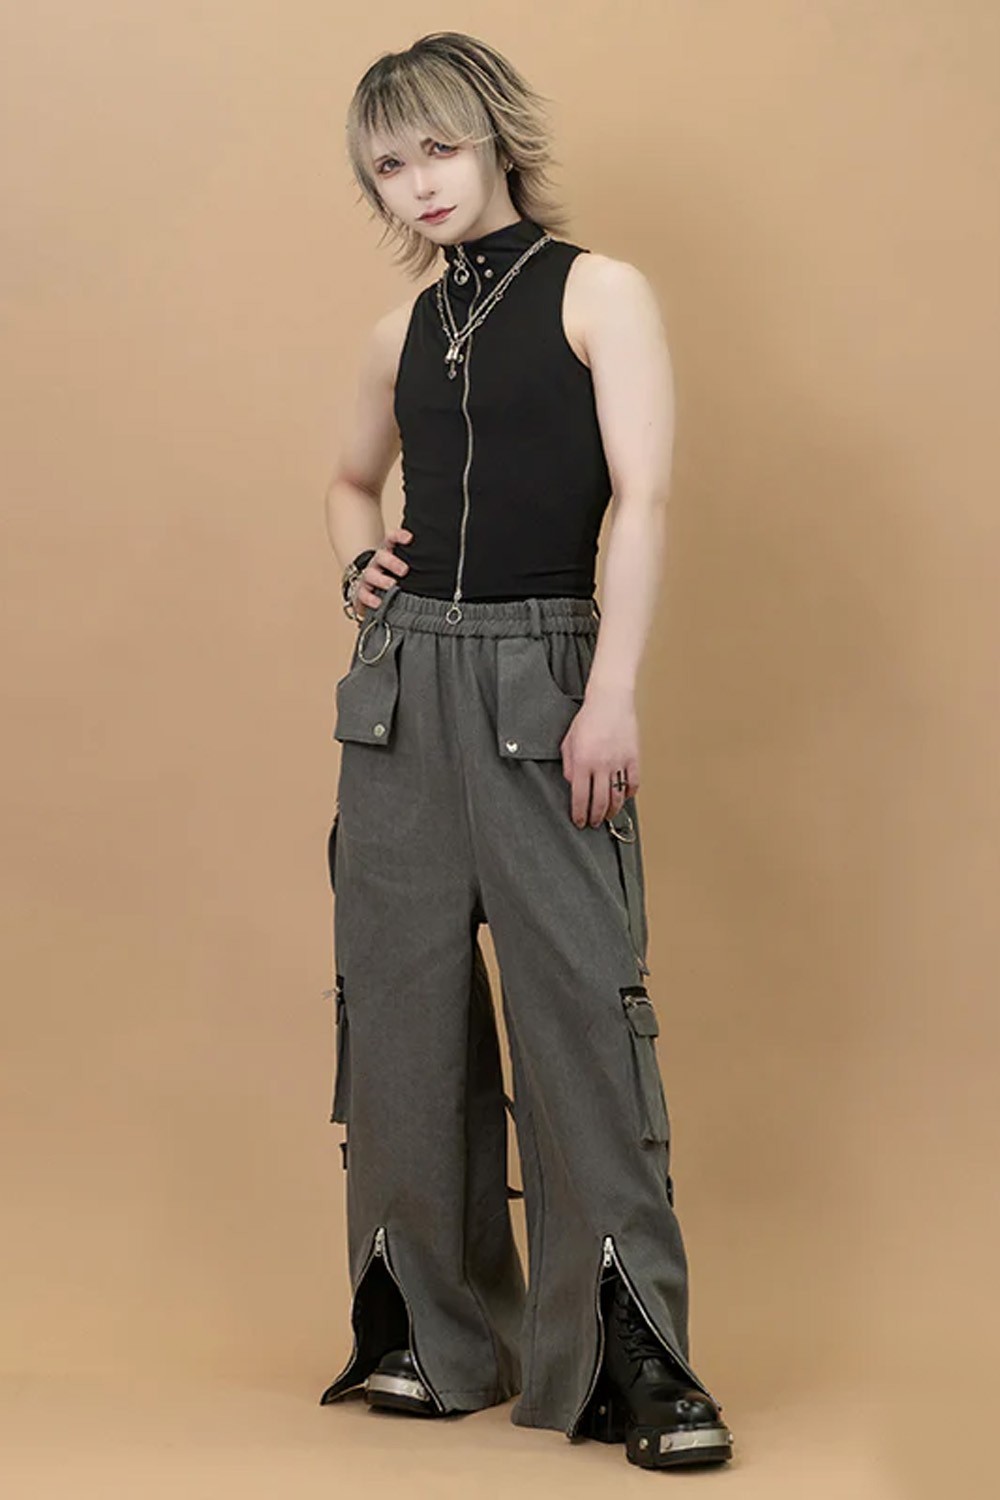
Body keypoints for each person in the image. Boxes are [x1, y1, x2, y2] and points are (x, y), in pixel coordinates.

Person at [318, 30, 734, 1472]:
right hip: (400, 694)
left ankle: (632, 1356)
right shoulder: (396, 333)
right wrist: (359, 562)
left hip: (544, 672)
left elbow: (646, 498)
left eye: (438, 147)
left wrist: (610, 693)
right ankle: (429, 1338)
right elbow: (348, 480)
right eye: (390, 165)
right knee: (401, 1017)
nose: (420, 182)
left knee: (580, 1019)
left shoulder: (599, 290)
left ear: (494, 135)